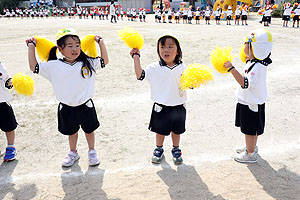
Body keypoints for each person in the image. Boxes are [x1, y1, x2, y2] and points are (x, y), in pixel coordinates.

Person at [25, 28, 109, 167]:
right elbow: (34, 67)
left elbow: (104, 61)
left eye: (77, 45)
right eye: (70, 46)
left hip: (86, 105)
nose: (75, 49)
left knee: (89, 130)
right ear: (60, 49)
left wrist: (100, 42)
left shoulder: (87, 62)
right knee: (72, 132)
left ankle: (92, 151)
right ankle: (73, 152)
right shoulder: (53, 66)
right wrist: (31, 47)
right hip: (66, 107)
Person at [130, 34, 187, 165]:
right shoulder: (154, 67)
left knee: (176, 131)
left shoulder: (183, 67)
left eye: (170, 47)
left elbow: (189, 83)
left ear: (177, 50)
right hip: (161, 106)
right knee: (160, 131)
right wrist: (136, 58)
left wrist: (193, 84)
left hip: (179, 105)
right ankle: (158, 148)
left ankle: (176, 149)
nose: (166, 50)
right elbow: (140, 75)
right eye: (162, 47)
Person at [223, 28, 273, 163]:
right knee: (253, 128)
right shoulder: (257, 62)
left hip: (251, 103)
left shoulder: (257, 67)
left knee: (249, 130)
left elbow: (245, 83)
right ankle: (251, 148)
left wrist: (231, 69)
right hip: (252, 102)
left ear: (254, 47)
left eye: (246, 44)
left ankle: (250, 154)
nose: (244, 46)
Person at [0, 62, 18, 162]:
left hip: (2, 101)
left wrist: (9, 83)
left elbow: (7, 78)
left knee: (9, 126)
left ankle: (11, 147)